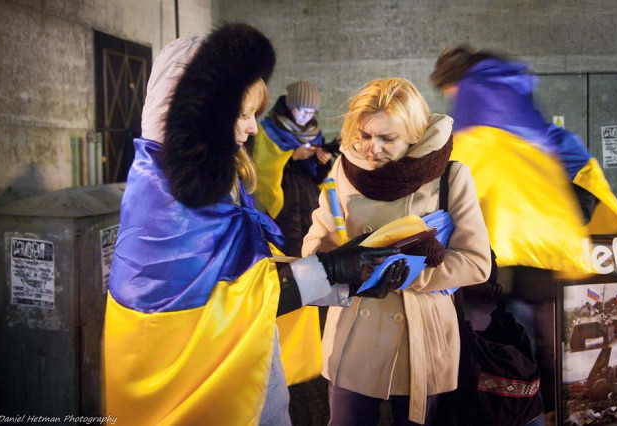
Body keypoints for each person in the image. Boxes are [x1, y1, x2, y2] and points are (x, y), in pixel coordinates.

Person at [101, 24, 409, 426]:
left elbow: (245, 282)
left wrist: (346, 277)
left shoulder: (203, 184)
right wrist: (332, 270)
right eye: (243, 114)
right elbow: (220, 309)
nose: (252, 128)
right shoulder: (168, 201)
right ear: (200, 115)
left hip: (241, 379)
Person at [430, 45, 617, 424]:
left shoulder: (471, 123)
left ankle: (517, 413)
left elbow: (456, 191)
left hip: (496, 261)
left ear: (456, 83)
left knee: (496, 355)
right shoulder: (537, 124)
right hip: (547, 256)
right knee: (548, 348)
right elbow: (583, 173)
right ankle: (549, 411)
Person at [302, 78, 492, 425]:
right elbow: (316, 239)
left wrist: (406, 274)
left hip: (421, 338)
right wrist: (337, 260)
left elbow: (476, 263)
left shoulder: (450, 176)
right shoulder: (343, 169)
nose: (372, 149)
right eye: (364, 135)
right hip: (354, 332)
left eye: (387, 139)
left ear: (414, 135)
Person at [251, 80, 333, 257]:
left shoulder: (314, 133)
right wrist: (292, 157)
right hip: (283, 206)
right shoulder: (268, 131)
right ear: (290, 105)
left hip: (310, 204)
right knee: (284, 252)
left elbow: (319, 178)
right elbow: (261, 169)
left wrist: (322, 162)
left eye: (311, 112)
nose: (306, 116)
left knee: (311, 250)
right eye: (302, 110)